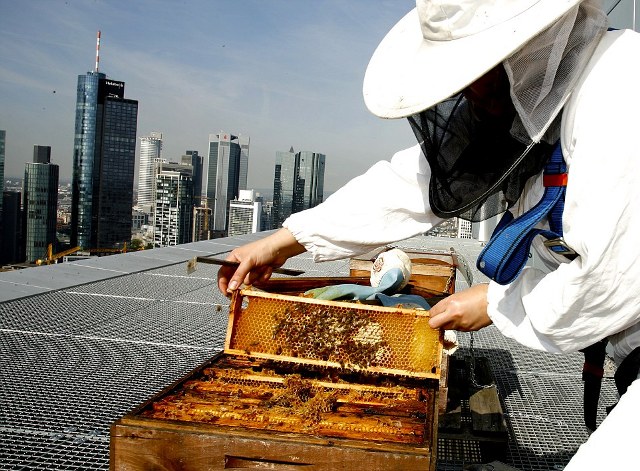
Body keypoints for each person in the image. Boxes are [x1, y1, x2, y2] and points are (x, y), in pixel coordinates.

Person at [218, 0, 640, 467]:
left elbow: (609, 281)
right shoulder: (544, 106)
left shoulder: (622, 87)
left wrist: (494, 302)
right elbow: (412, 183)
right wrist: (283, 241)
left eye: (474, 69)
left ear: (525, 47)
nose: (466, 91)